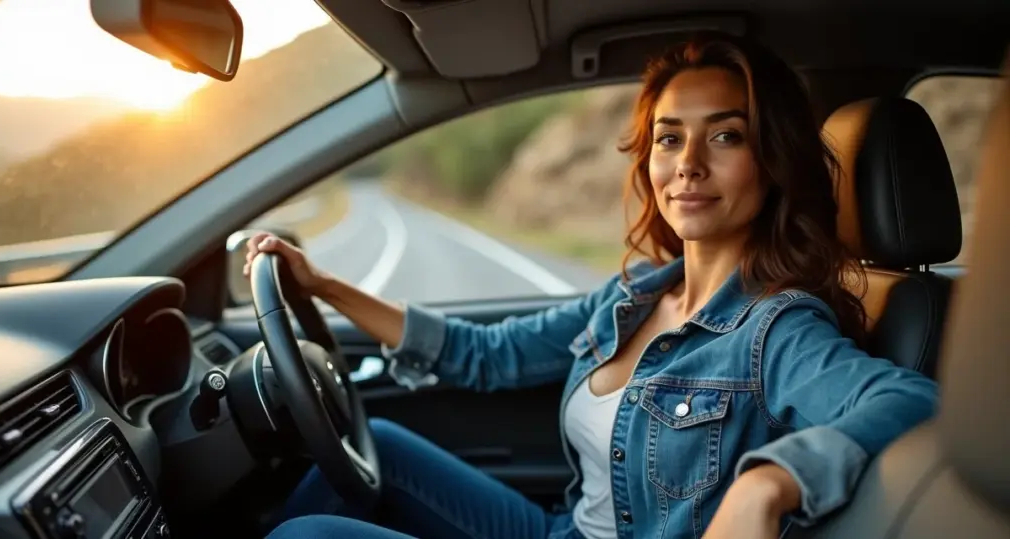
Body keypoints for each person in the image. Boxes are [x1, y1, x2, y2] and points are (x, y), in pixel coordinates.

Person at [247, 32, 939, 539]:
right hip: (563, 530)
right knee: (385, 444)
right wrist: (325, 285)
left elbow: (913, 396)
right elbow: (486, 353)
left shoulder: (774, 329)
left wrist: (770, 478)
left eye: (726, 137)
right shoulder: (635, 293)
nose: (689, 164)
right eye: (670, 139)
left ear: (773, 162)